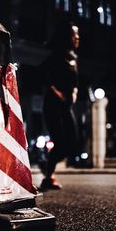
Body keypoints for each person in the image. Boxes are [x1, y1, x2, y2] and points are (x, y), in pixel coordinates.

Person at [38, 20, 80, 190]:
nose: (77, 37)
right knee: (60, 143)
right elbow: (41, 73)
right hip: (53, 105)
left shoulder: (72, 58)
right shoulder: (57, 56)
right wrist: (57, 91)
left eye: (77, 34)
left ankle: (45, 164)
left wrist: (75, 91)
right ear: (65, 37)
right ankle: (48, 177)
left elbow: (74, 81)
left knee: (72, 143)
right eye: (74, 34)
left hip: (66, 107)